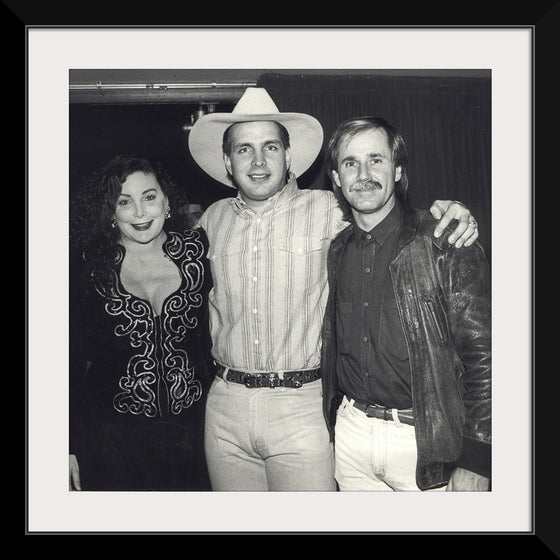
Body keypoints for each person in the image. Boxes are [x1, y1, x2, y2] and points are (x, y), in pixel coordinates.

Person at [187, 87, 480, 492]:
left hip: (301, 406)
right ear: (226, 160)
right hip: (224, 407)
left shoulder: (330, 208)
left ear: (288, 157)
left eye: (270, 147)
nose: (258, 162)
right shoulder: (210, 221)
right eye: (243, 150)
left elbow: (390, 213)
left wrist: (451, 212)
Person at [321, 116, 491, 492]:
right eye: (350, 163)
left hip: (425, 441)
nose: (363, 173)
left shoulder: (444, 241)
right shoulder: (336, 250)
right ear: (336, 178)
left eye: (376, 160)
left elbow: (486, 356)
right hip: (351, 440)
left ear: (397, 170)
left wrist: (479, 459)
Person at [69, 154, 213, 491]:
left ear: (166, 201)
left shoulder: (200, 253)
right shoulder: (88, 268)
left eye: (149, 197)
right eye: (124, 202)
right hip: (111, 439)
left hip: (194, 436)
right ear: (111, 212)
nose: (139, 212)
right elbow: (67, 361)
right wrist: (66, 444)